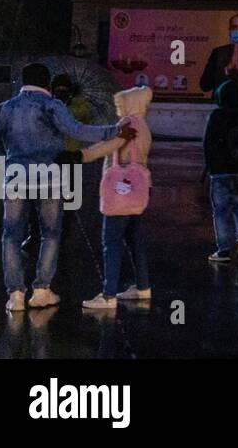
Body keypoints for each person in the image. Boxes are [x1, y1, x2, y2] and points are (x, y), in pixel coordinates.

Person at [0, 62, 134, 313]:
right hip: (50, 177)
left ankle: (16, 295)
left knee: (11, 236)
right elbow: (78, 131)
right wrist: (114, 131)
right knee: (50, 233)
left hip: (16, 178)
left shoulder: (5, 109)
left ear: (23, 81)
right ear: (46, 83)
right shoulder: (53, 106)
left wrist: (4, 166)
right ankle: (41, 291)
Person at [81, 86, 154, 311]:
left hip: (121, 190)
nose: (118, 107)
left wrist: (82, 155)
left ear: (131, 103)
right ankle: (142, 287)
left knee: (111, 242)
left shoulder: (126, 124)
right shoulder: (143, 124)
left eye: (121, 103)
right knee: (136, 241)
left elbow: (110, 145)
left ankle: (108, 294)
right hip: (140, 188)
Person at [202, 79, 238, 261]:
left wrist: (210, 165)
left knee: (220, 211)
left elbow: (207, 143)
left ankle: (223, 250)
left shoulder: (216, 116)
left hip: (220, 170)